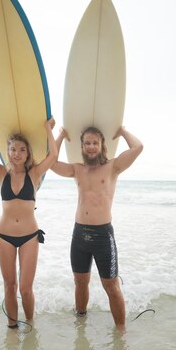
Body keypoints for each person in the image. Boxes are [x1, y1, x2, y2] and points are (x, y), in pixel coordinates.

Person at [51, 125, 143, 332]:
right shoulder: (77, 169)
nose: (91, 147)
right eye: (87, 143)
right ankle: (80, 322)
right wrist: (61, 135)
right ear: (82, 147)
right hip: (79, 235)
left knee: (111, 286)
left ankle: (121, 331)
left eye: (95, 143)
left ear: (102, 146)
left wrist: (122, 131)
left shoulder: (113, 167)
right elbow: (51, 163)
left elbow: (138, 147)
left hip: (103, 236)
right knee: (80, 282)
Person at [0, 112, 57, 329]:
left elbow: (53, 155)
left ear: (28, 153)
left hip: (29, 237)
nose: (17, 153)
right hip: (3, 237)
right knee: (9, 285)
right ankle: (12, 328)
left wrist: (49, 128)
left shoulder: (34, 174)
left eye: (22, 149)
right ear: (8, 152)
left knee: (25, 288)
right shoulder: (1, 174)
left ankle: (31, 324)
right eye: (13, 149)